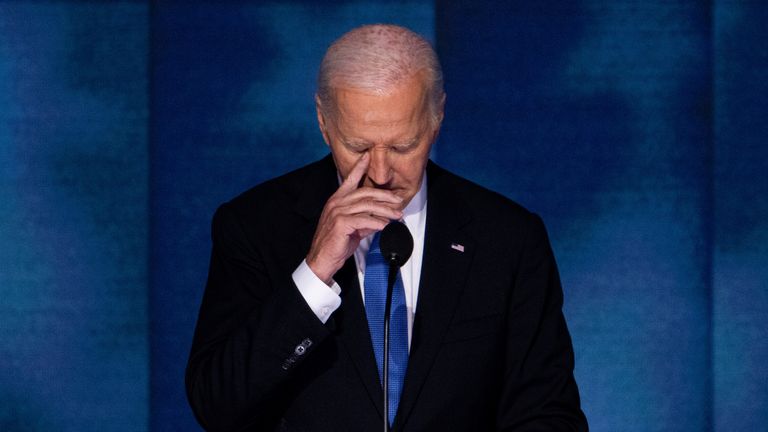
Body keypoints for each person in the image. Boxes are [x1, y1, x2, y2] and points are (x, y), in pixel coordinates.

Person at [186, 24, 588, 431]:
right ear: (324, 124)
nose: (380, 174)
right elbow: (218, 405)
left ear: (437, 118)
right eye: (358, 147)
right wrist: (313, 273)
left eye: (402, 147)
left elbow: (547, 415)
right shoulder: (255, 226)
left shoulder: (508, 238)